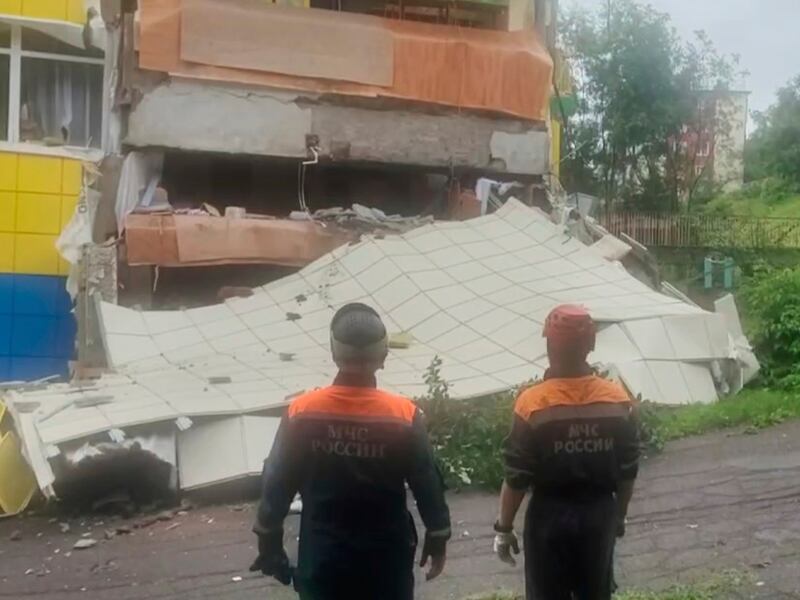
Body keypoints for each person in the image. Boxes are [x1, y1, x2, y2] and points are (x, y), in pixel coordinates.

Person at [250, 302, 451, 600]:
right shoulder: (403, 415)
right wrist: (438, 536)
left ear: (334, 353)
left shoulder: (303, 412)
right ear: (383, 354)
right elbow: (427, 483)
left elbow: (277, 481)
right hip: (386, 562)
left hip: (323, 558)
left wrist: (268, 540)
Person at [493, 304, 640, 600]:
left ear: (549, 344)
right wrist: (619, 517)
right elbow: (628, 469)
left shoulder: (532, 403)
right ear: (590, 345)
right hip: (599, 513)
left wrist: (504, 528)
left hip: (548, 517)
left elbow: (517, 477)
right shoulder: (618, 400)